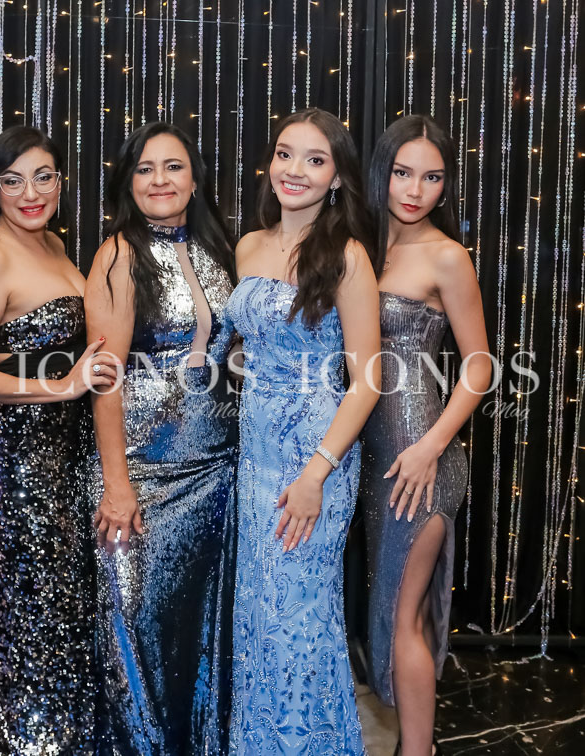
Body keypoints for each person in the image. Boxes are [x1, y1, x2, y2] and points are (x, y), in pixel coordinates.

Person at [0, 125, 117, 754]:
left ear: (61, 181)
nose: (30, 193)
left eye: (43, 176)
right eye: (13, 180)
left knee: (67, 609)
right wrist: (61, 387)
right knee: (36, 611)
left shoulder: (54, 245)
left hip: (67, 456)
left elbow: (16, 349)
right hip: (24, 462)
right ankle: (31, 744)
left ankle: (65, 740)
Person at [225, 107, 381, 754]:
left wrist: (316, 474)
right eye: (285, 154)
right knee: (259, 616)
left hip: (317, 456)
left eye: (315, 160)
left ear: (337, 178)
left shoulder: (347, 257)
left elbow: (367, 381)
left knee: (301, 620)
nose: (295, 170)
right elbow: (246, 344)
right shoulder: (248, 246)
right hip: (255, 452)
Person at [83, 122, 237, 754]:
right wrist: (116, 484)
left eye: (173, 167)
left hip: (215, 469)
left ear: (195, 180)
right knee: (137, 632)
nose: (159, 180)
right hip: (142, 471)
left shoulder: (218, 249)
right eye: (144, 169)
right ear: (128, 183)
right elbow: (105, 378)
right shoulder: (119, 253)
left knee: (197, 636)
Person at [360, 114, 491, 756]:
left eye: (432, 177)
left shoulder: (446, 255)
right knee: (383, 612)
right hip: (366, 458)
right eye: (403, 173)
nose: (415, 190)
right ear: (381, 173)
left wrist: (431, 446)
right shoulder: (358, 246)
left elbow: (480, 366)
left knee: (403, 616)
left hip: (421, 459)